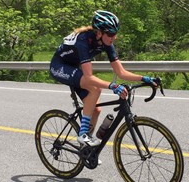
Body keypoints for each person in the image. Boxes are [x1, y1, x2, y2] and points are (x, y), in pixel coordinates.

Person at [50, 10, 156, 147]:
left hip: (75, 68)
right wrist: (113, 86)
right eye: (111, 34)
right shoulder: (83, 41)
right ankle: (83, 135)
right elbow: (88, 77)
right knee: (95, 89)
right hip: (59, 66)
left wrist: (145, 78)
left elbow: (121, 72)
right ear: (99, 33)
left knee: (96, 110)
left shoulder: (106, 43)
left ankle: (86, 148)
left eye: (115, 33)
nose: (114, 37)